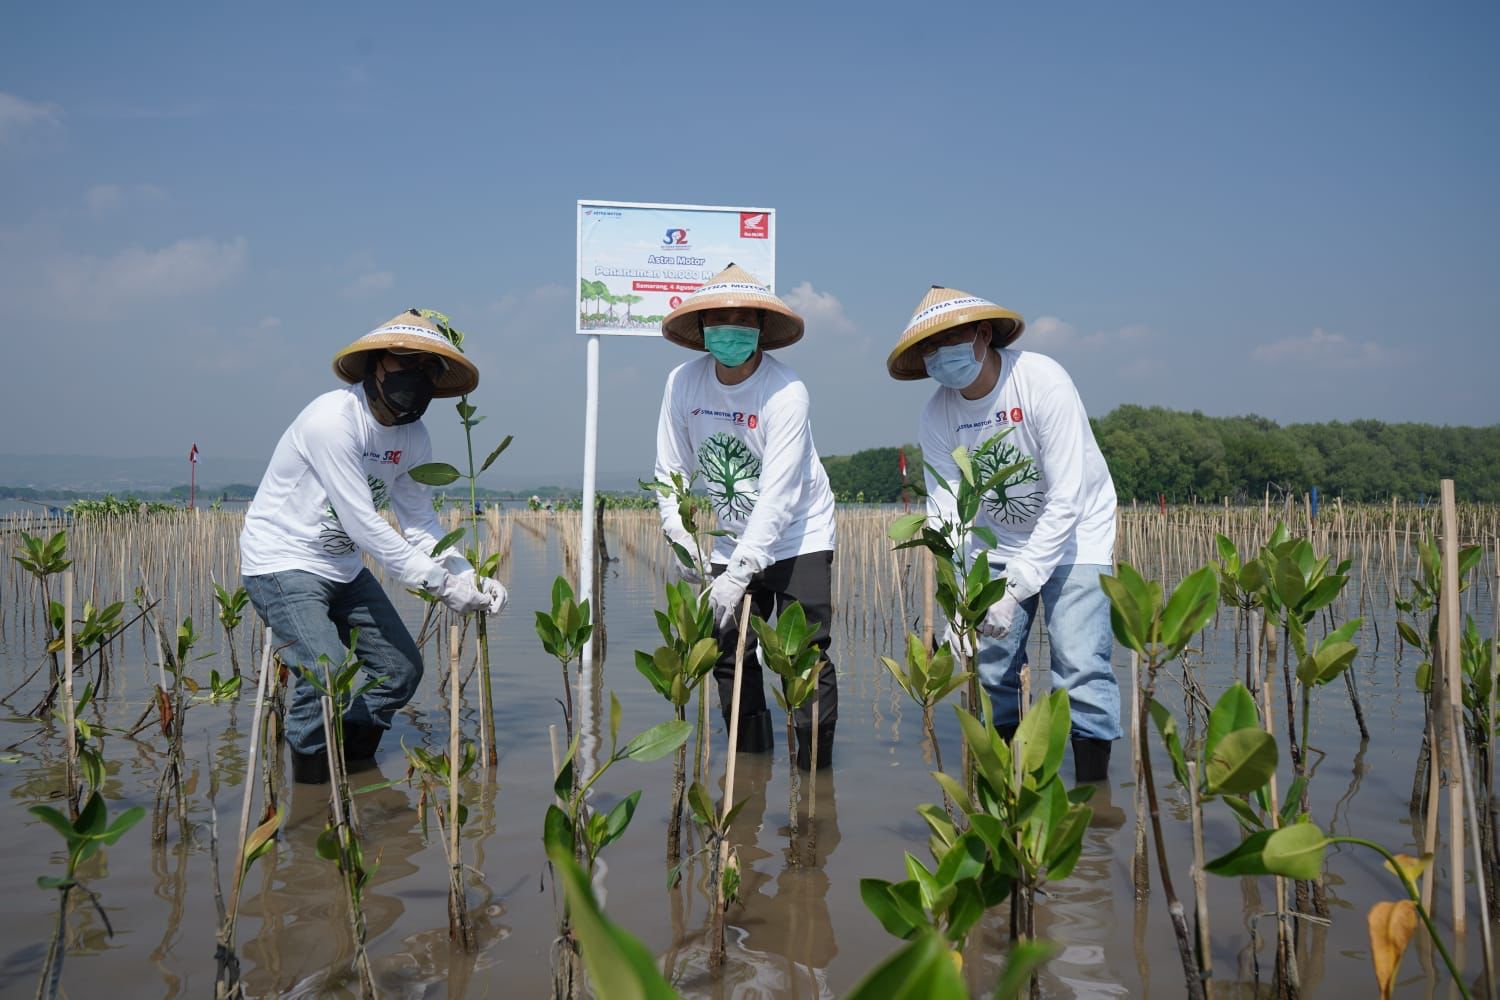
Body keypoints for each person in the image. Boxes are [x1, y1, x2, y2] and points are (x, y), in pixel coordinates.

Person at [240, 309, 506, 784]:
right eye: (407, 363)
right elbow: (362, 523)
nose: (417, 378)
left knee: (401, 670)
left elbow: (420, 522)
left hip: (342, 568)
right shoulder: (331, 420)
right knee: (325, 672)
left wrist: (466, 574)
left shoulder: (414, 437)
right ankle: (313, 782)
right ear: (375, 366)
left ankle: (353, 767)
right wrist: (442, 587)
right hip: (283, 561)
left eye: (429, 369)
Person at [887, 285, 1120, 782]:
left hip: (1078, 533)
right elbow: (948, 510)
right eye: (929, 346)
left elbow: (1066, 498)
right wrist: (958, 603)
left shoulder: (1040, 380)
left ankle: (1092, 800)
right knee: (990, 669)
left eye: (950, 340)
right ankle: (1011, 786)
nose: (939, 354)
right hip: (996, 542)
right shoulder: (937, 413)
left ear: (984, 334)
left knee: (1079, 667)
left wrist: (1015, 590)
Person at [654, 264, 839, 770]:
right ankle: (749, 766)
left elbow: (779, 496)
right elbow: (670, 472)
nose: (731, 327)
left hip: (800, 532)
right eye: (720, 318)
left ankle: (813, 771)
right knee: (728, 652)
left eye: (743, 319)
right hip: (729, 535)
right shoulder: (682, 383)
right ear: (702, 327)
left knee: (805, 654)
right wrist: (681, 537)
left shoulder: (785, 391)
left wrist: (740, 573)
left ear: (761, 327)